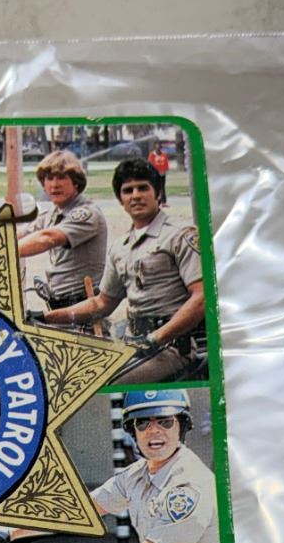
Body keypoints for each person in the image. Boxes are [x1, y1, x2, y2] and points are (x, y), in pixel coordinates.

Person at [40, 159, 203, 381]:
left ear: (158, 193)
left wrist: (155, 338)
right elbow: (102, 303)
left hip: (172, 347)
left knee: (97, 383)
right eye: (128, 191)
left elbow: (201, 297)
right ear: (121, 200)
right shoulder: (121, 247)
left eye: (143, 188)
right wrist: (46, 318)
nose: (135, 196)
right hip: (134, 343)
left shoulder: (180, 235)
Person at [76, 390, 220, 543]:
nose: (154, 431)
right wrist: (9, 530)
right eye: (143, 423)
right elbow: (78, 511)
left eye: (165, 422)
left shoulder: (189, 487)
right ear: (133, 432)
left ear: (182, 426)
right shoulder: (136, 474)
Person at [14, 148, 108, 314]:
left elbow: (48, 238)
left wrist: (3, 252)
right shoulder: (52, 213)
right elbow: (21, 233)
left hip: (82, 309)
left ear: (76, 182)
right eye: (49, 178)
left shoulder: (87, 213)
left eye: (62, 177)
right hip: (60, 306)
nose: (54, 184)